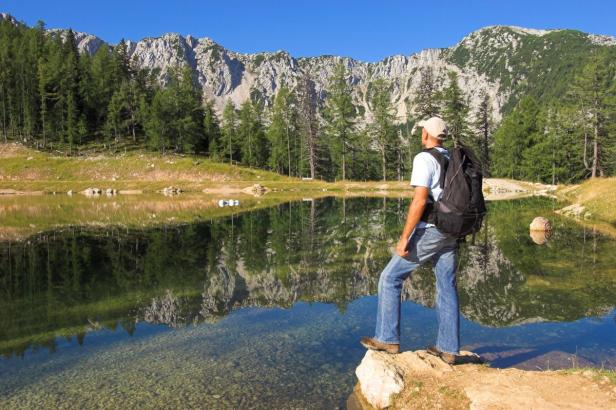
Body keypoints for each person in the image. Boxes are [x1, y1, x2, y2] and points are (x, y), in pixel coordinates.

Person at [360, 116, 462, 364]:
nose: (420, 133)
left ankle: (387, 338)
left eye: (422, 130)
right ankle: (448, 349)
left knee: (390, 278)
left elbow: (419, 200)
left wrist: (405, 237)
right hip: (453, 229)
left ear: (426, 133)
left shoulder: (424, 158)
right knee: (446, 285)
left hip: (431, 229)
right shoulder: (452, 159)